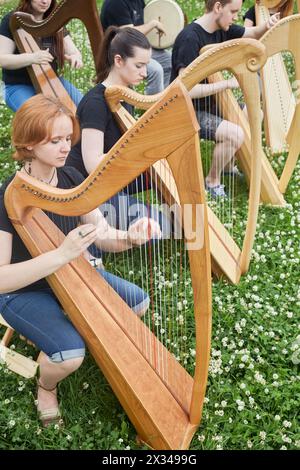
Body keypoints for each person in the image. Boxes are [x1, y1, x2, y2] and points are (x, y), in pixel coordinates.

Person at [0, 94, 161, 427]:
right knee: (69, 356)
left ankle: (61, 327)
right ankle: (46, 386)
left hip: (73, 274)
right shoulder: (7, 197)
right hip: (23, 291)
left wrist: (129, 236)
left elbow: (100, 234)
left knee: (138, 304)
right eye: (54, 140)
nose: (65, 147)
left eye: (66, 138)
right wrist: (61, 255)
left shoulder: (71, 179)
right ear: (28, 144)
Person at [171, 0, 280, 198]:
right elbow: (185, 90)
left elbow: (252, 34)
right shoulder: (190, 38)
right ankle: (212, 182)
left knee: (255, 113)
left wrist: (268, 24)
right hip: (187, 109)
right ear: (218, 7)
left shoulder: (223, 27)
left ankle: (228, 165)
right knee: (235, 134)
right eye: (233, 11)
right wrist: (226, 84)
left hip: (211, 102)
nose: (236, 17)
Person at [67, 26, 169, 233]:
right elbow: (92, 164)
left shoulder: (125, 94)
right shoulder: (96, 103)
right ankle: (95, 226)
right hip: (89, 188)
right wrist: (134, 156)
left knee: (168, 174)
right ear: (119, 60)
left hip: (113, 177)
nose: (145, 73)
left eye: (146, 65)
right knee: (161, 226)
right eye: (139, 66)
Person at [0, 0, 83, 112]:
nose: (45, 1)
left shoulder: (54, 21)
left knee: (84, 109)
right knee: (42, 119)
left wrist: (75, 57)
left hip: (52, 80)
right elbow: (2, 59)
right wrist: (32, 58)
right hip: (18, 85)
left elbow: (73, 52)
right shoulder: (13, 20)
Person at [100, 0, 171, 94]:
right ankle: (154, 105)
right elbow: (127, 34)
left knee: (169, 60)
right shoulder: (116, 3)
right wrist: (153, 24)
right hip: (121, 52)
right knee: (155, 70)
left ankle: (165, 98)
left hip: (137, 49)